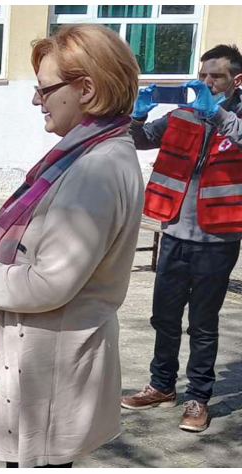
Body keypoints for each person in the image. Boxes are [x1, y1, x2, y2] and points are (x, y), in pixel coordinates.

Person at [0, 25, 144, 467]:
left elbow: (48, 284)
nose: (36, 100)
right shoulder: (86, 153)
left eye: (44, 89)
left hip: (54, 367)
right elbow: (55, 249)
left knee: (41, 462)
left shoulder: (95, 168)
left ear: (86, 89)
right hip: (46, 358)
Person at [121, 44, 242, 433]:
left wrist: (217, 113)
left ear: (235, 81)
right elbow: (137, 140)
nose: (206, 82)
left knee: (203, 324)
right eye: (203, 75)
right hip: (174, 231)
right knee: (165, 317)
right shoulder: (182, 114)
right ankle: (161, 385)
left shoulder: (233, 118)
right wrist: (137, 117)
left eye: (216, 77)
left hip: (218, 239)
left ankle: (198, 398)